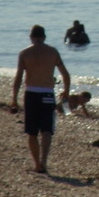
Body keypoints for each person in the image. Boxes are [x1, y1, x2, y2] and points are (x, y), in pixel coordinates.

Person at [11, 25, 70, 174]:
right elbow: (65, 74)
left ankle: (37, 164)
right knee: (46, 130)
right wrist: (66, 91)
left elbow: (18, 77)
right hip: (47, 94)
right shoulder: (52, 52)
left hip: (30, 93)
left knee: (32, 132)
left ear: (31, 37)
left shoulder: (25, 53)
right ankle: (44, 161)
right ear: (44, 37)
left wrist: (14, 98)